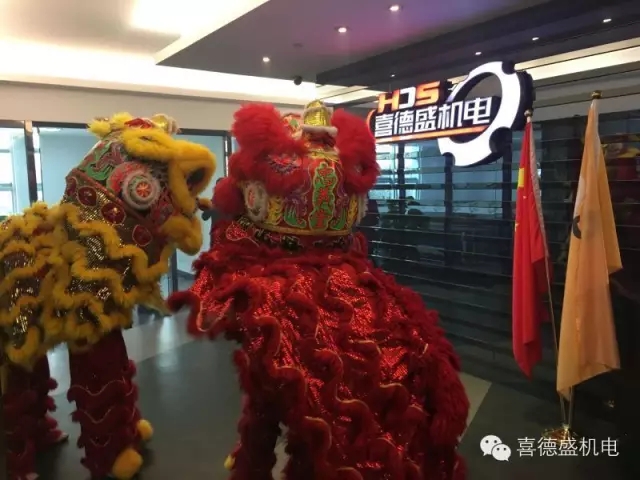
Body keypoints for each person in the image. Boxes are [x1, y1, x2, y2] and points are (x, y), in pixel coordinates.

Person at [169, 101, 469, 479]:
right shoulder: (375, 287)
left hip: (283, 286)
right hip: (350, 280)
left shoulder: (263, 288)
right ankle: (254, 457)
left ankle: (255, 460)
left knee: (286, 396)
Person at [0, 113, 216, 480]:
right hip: (45, 274)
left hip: (95, 258)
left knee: (109, 356)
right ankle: (82, 451)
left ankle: (119, 433)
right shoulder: (123, 159)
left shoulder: (143, 164)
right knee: (36, 361)